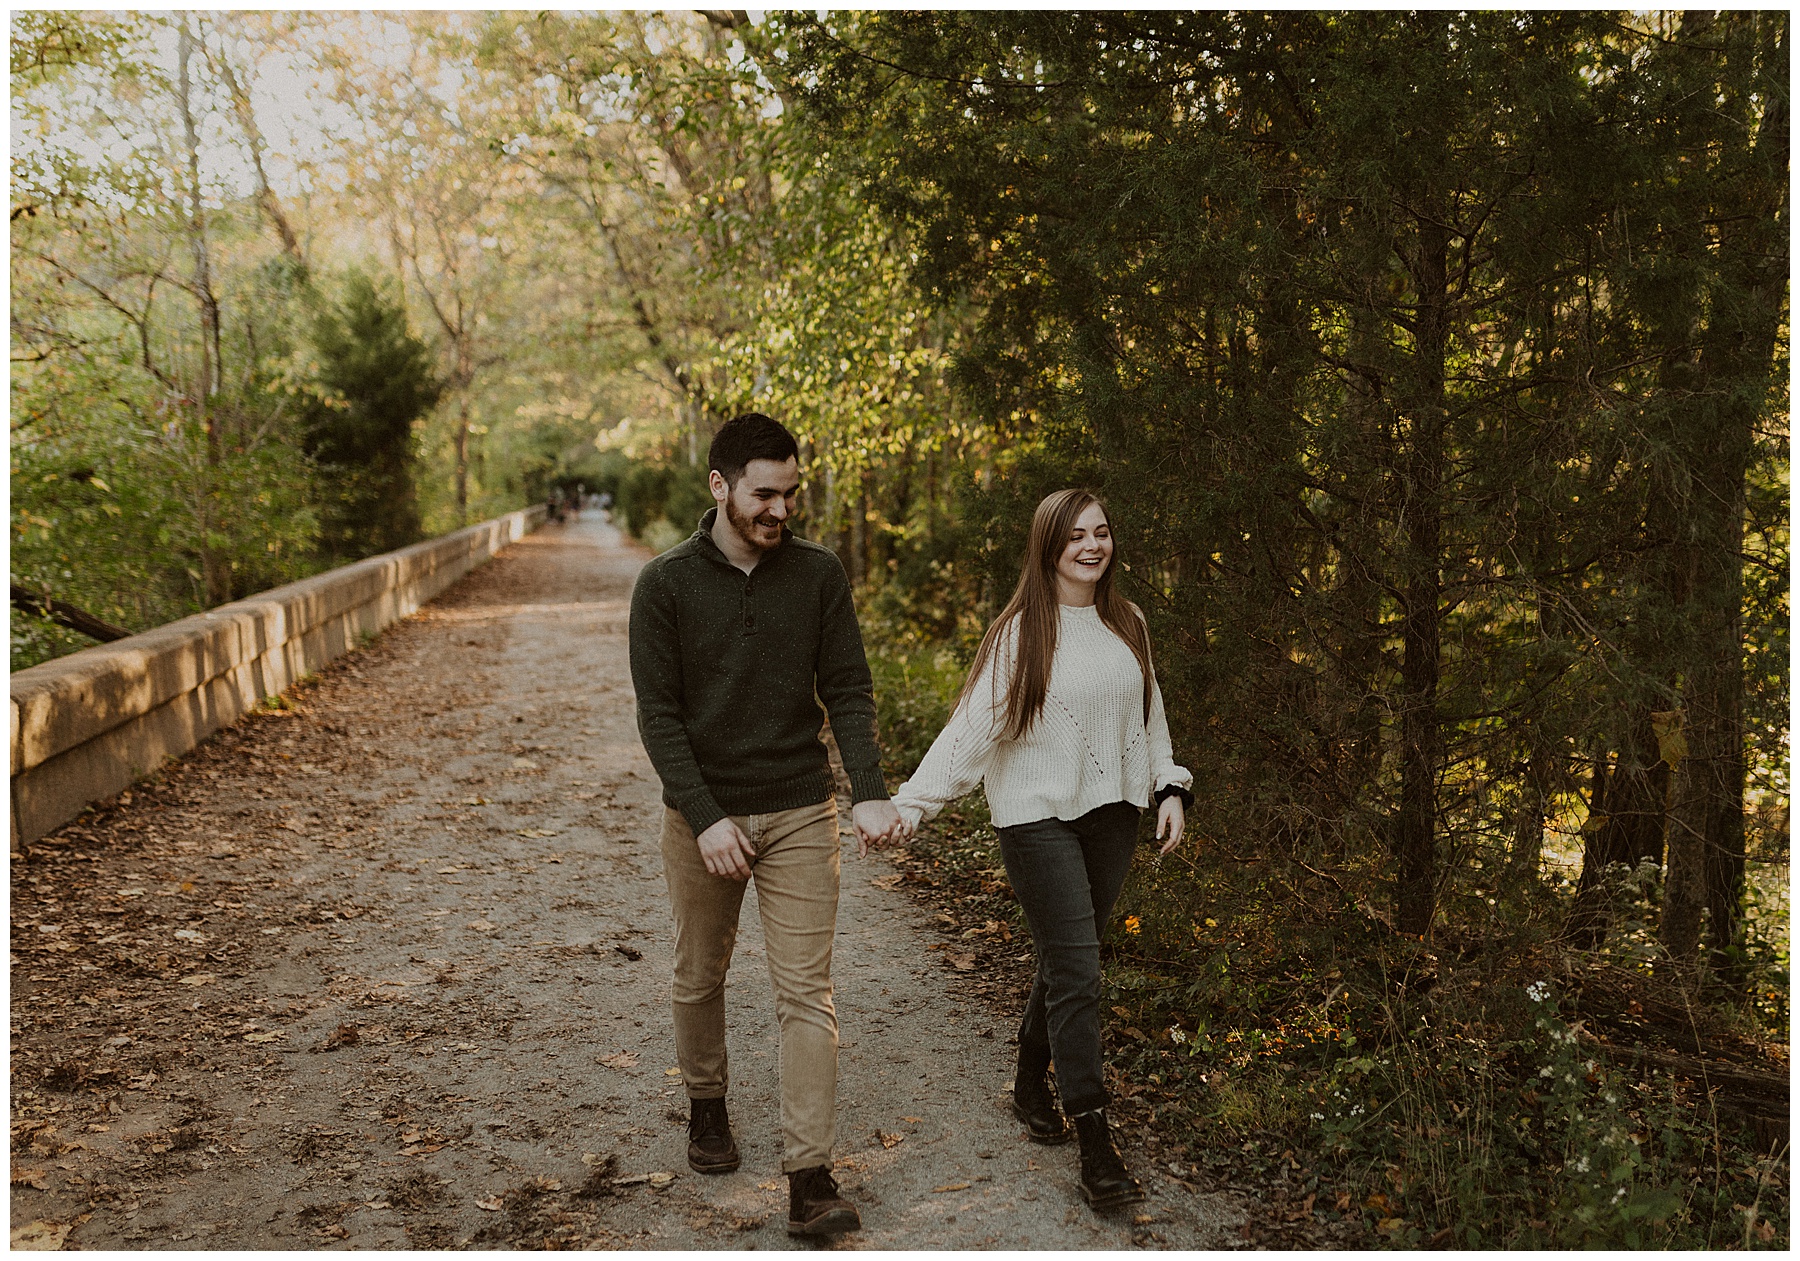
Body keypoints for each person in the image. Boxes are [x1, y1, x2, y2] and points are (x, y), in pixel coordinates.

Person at [627, 412, 904, 1238]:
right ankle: (707, 1105)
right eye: (764, 494)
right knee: (698, 971)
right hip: (702, 814)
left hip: (797, 806)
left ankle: (809, 1176)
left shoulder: (818, 575)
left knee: (806, 994)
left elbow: (848, 689)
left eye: (790, 494)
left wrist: (868, 789)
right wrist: (706, 816)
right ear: (719, 486)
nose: (780, 510)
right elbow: (659, 717)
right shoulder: (665, 584)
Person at [890, 488, 1193, 1214]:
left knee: (1070, 955)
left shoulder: (1129, 623)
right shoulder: (1021, 633)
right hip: (1034, 817)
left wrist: (1169, 785)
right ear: (1049, 547)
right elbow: (969, 732)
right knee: (1080, 968)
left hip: (1114, 813)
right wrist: (910, 805)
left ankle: (1030, 1078)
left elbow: (1150, 717)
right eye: (1076, 536)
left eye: (1102, 532)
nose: (1093, 546)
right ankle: (1096, 1142)